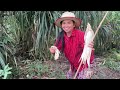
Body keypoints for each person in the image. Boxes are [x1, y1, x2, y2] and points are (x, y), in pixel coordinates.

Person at [49, 11, 95, 79]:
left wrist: (89, 46)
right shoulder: (61, 36)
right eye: (64, 23)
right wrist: (53, 49)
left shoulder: (81, 35)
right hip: (73, 64)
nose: (66, 25)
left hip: (84, 64)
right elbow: (56, 48)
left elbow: (87, 49)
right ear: (61, 25)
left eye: (69, 23)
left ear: (74, 25)